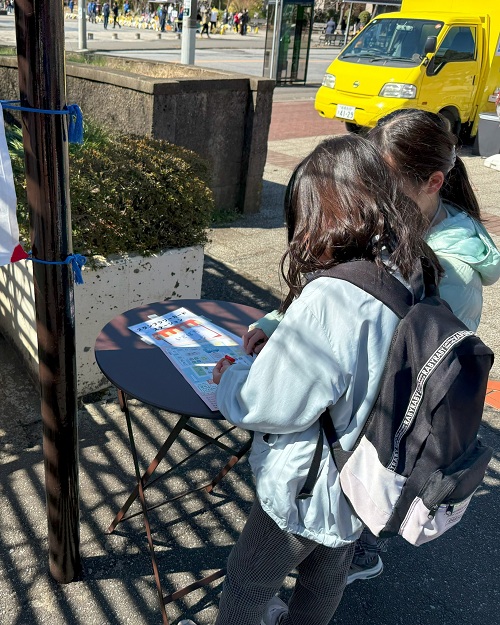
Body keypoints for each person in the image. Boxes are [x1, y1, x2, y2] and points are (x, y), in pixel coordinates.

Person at [179, 134, 438, 625]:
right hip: (365, 473)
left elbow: (269, 403)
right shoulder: (409, 265)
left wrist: (234, 376)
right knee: (323, 577)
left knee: (248, 583)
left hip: (310, 482)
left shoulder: (334, 296)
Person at [243, 108, 500, 586]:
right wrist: (280, 321)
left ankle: (362, 547)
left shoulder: (449, 271)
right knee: (325, 572)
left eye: (382, 182)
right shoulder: (400, 229)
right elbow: (349, 289)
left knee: (259, 576)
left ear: (433, 182)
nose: (367, 194)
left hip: (370, 437)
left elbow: (399, 361)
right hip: (351, 442)